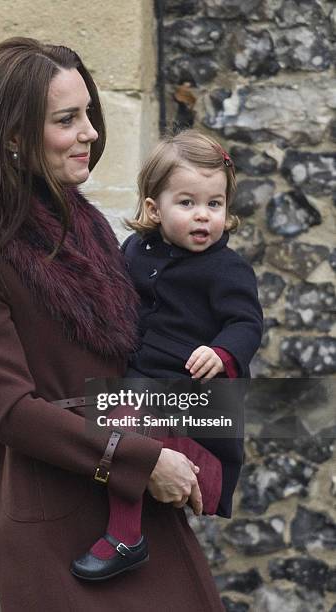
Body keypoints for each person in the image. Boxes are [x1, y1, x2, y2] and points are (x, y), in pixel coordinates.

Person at [0, 38, 227, 611]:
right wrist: (142, 459)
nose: (91, 133)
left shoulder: (86, 223)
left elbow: (130, 361)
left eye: (88, 114)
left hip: (133, 502)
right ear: (11, 135)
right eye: (67, 119)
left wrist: (211, 419)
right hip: (60, 522)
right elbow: (10, 411)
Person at [71, 130, 263, 581]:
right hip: (141, 377)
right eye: (188, 203)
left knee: (127, 429)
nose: (203, 216)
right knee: (113, 423)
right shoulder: (136, 250)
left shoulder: (226, 268)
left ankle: (125, 537)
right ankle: (126, 524)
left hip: (191, 393)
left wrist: (222, 352)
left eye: (215, 205)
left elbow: (247, 323)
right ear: (154, 209)